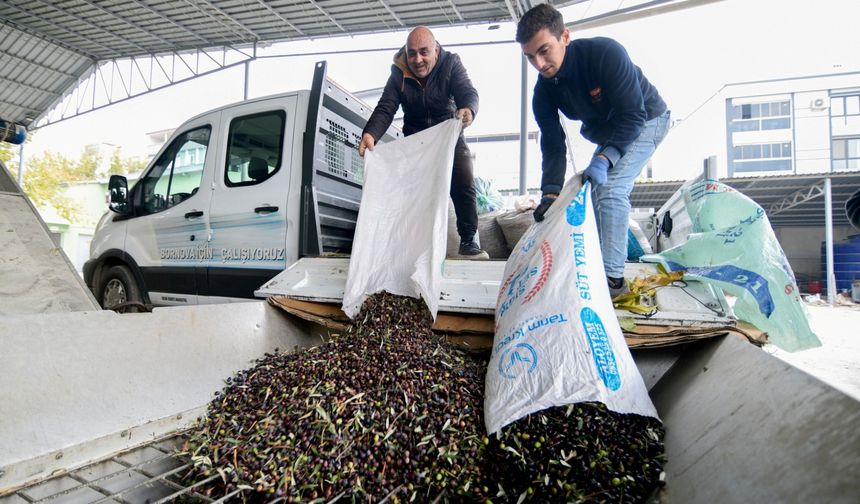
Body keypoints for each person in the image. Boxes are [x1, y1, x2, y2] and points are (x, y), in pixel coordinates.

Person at [516, 4, 671, 296]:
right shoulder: (543, 91)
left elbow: (633, 116)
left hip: (646, 118)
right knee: (593, 189)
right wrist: (550, 193)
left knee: (610, 187)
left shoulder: (605, 54)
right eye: (530, 57)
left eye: (544, 50)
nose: (538, 63)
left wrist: (606, 157)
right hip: (612, 129)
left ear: (565, 36)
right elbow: (552, 142)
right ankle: (598, 265)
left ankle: (612, 281)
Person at [359, 26, 488, 259]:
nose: (417, 60)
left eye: (424, 52)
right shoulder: (398, 72)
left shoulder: (451, 64)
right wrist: (371, 134)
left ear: (436, 50)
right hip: (416, 139)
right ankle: (414, 245)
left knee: (463, 180)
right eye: (412, 53)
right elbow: (386, 107)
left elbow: (468, 91)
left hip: (448, 134)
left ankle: (469, 239)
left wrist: (468, 109)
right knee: (413, 193)